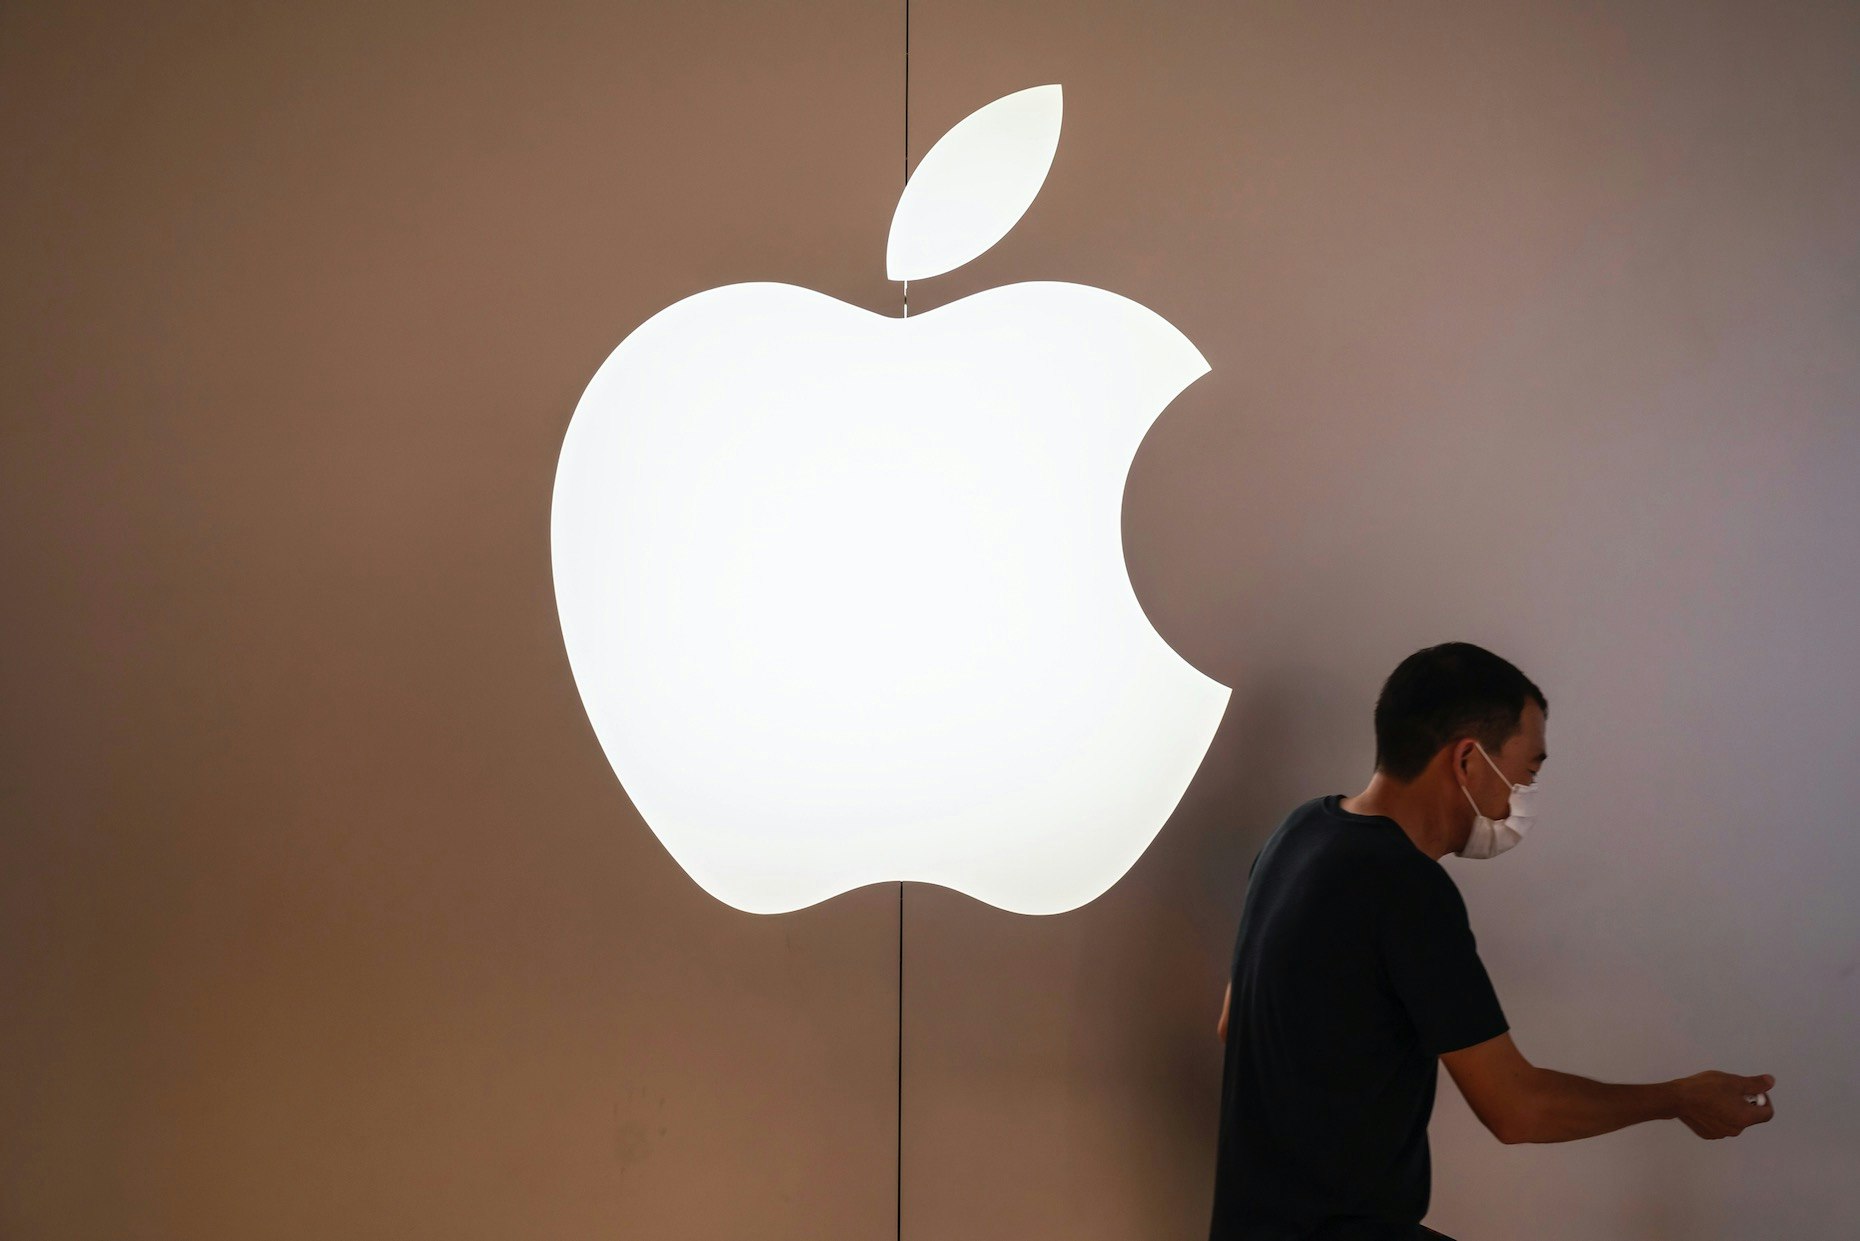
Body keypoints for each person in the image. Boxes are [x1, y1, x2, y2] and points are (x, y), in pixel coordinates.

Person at [1206, 642, 1775, 1241]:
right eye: (1527, 771)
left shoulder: (1299, 832)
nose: (1519, 799)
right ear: (1468, 760)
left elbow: (1232, 1023)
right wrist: (1678, 1098)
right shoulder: (1406, 886)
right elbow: (1517, 1109)